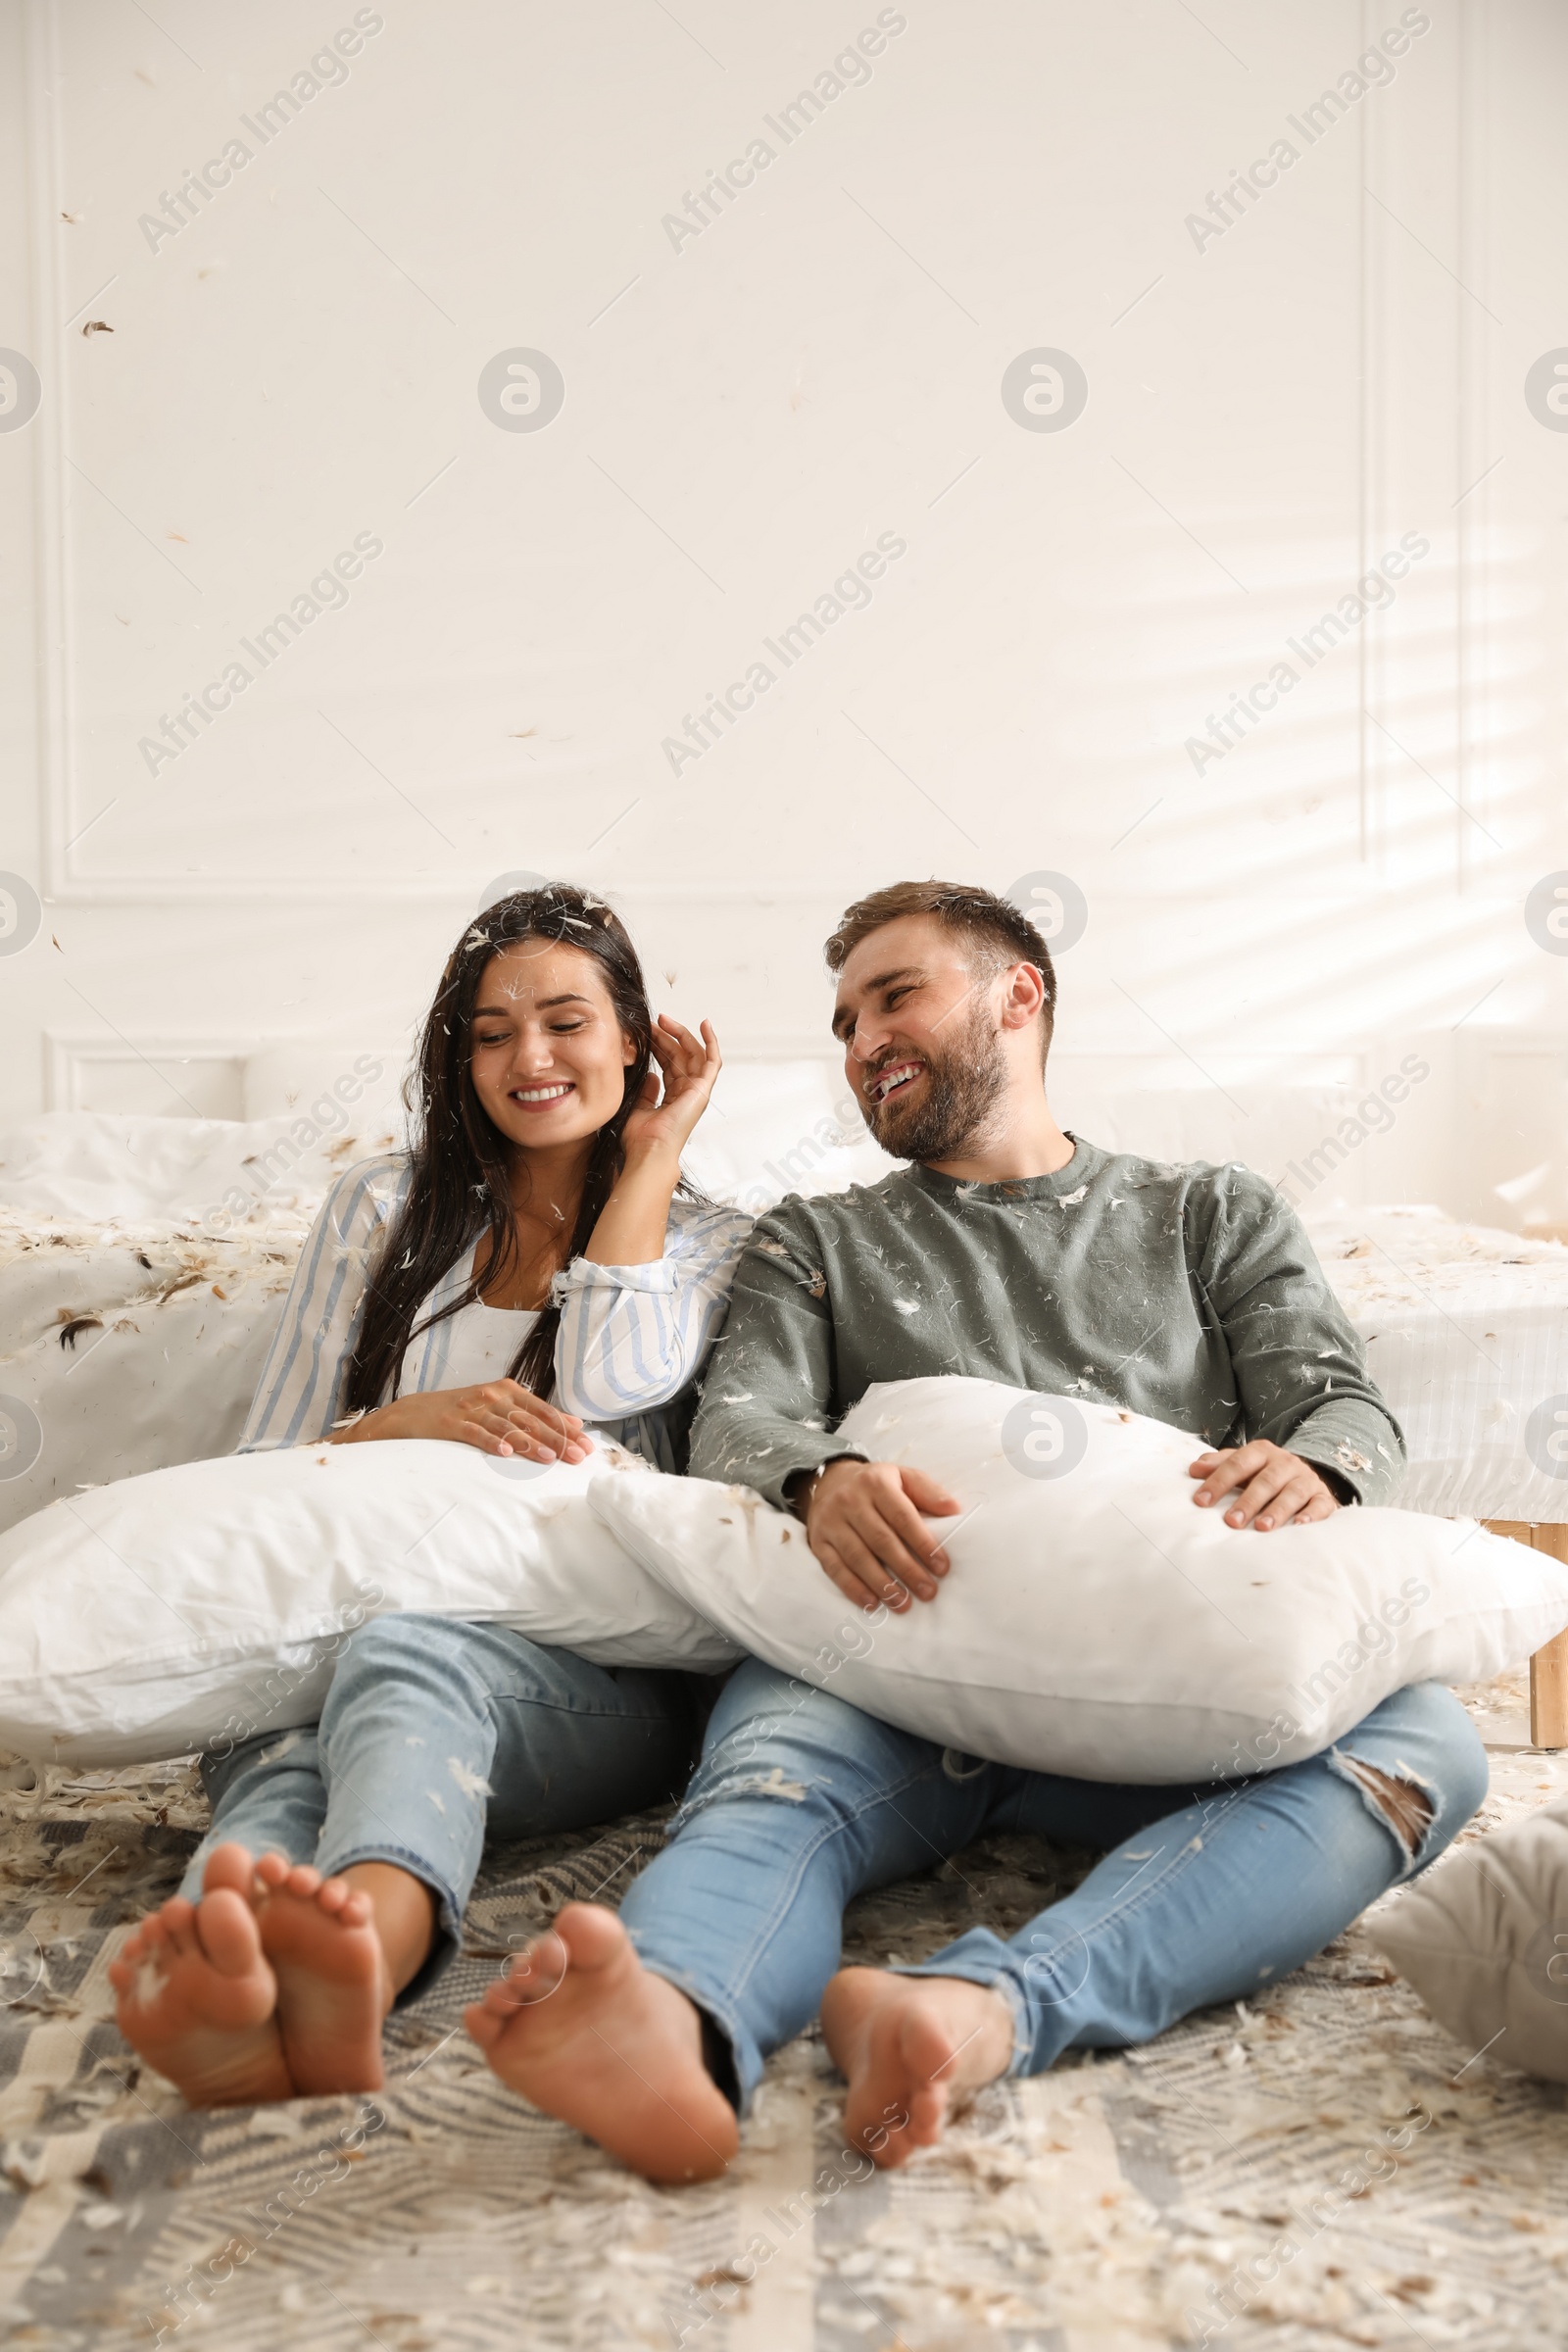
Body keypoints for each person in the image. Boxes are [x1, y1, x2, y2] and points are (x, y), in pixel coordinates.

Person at [465, 878, 1490, 2184]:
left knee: (1426, 1745)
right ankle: (667, 2022)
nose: (861, 1044)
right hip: (899, 1669)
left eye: (895, 997)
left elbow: (1337, 1399)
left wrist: (1318, 1468)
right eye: (843, 1024)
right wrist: (822, 1477)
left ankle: (980, 2009)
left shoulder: (1207, 1214)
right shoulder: (817, 1240)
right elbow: (743, 1422)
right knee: (766, 1785)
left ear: (1021, 992)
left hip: (1169, 1681)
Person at [110, 884, 750, 2107]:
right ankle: (232, 1974)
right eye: (491, 1031)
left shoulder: (711, 1241)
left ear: (635, 1037)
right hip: (334, 1628)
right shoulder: (376, 1210)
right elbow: (260, 1481)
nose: (530, 1058)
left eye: (567, 1021)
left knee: (409, 1657)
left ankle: (367, 1946)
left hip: (594, 1680)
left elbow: (612, 1375)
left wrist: (657, 1151)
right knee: (276, 1734)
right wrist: (400, 1425)